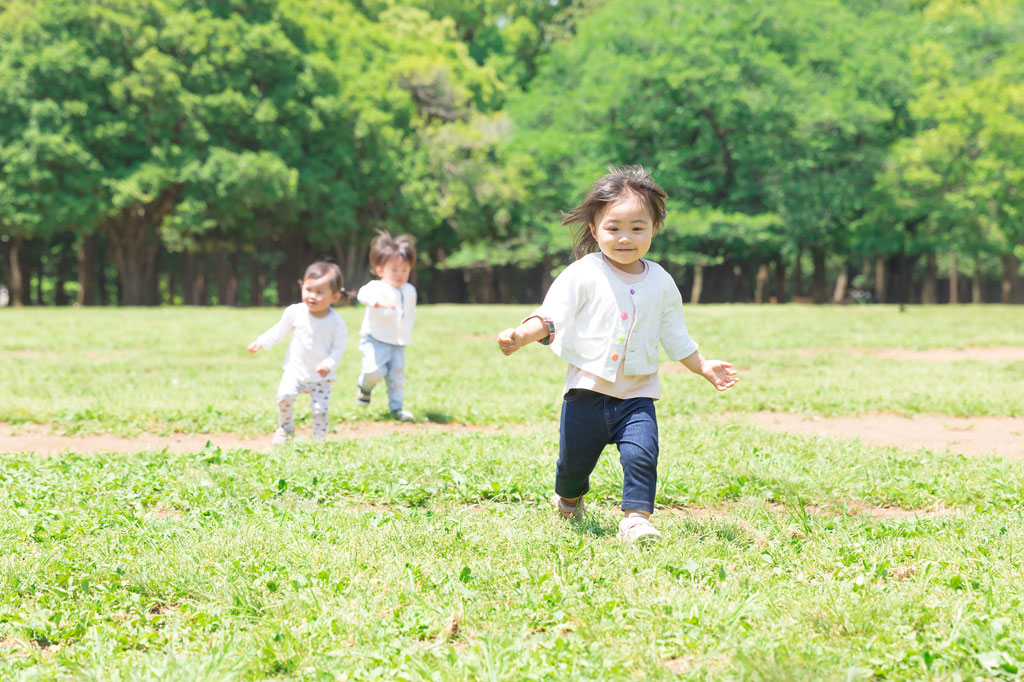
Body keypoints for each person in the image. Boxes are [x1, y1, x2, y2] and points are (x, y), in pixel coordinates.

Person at [497, 166, 739, 544]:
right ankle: (569, 499)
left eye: (637, 228)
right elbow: (552, 315)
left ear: (654, 229)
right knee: (572, 466)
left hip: (637, 393)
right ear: (595, 230)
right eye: (614, 228)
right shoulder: (583, 273)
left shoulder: (661, 281)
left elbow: (674, 333)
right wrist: (520, 336)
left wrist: (703, 366)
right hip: (586, 392)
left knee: (642, 455)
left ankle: (636, 519)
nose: (625, 238)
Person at [248, 261, 347, 445]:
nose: (312, 296)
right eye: (308, 289)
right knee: (284, 396)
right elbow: (279, 331)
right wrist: (261, 341)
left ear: (334, 296)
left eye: (319, 292)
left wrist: (328, 364)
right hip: (295, 370)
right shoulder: (295, 312)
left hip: (321, 377)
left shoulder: (337, 323)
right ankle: (285, 428)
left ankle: (319, 441)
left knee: (320, 410)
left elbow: (338, 349)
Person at [355, 231, 417, 421]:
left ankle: (396, 408)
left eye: (405, 270)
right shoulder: (376, 287)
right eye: (394, 270)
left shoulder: (410, 290)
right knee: (375, 371)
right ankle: (365, 386)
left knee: (396, 377)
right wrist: (378, 302)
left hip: (398, 342)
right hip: (375, 339)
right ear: (380, 269)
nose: (400, 274)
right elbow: (362, 294)